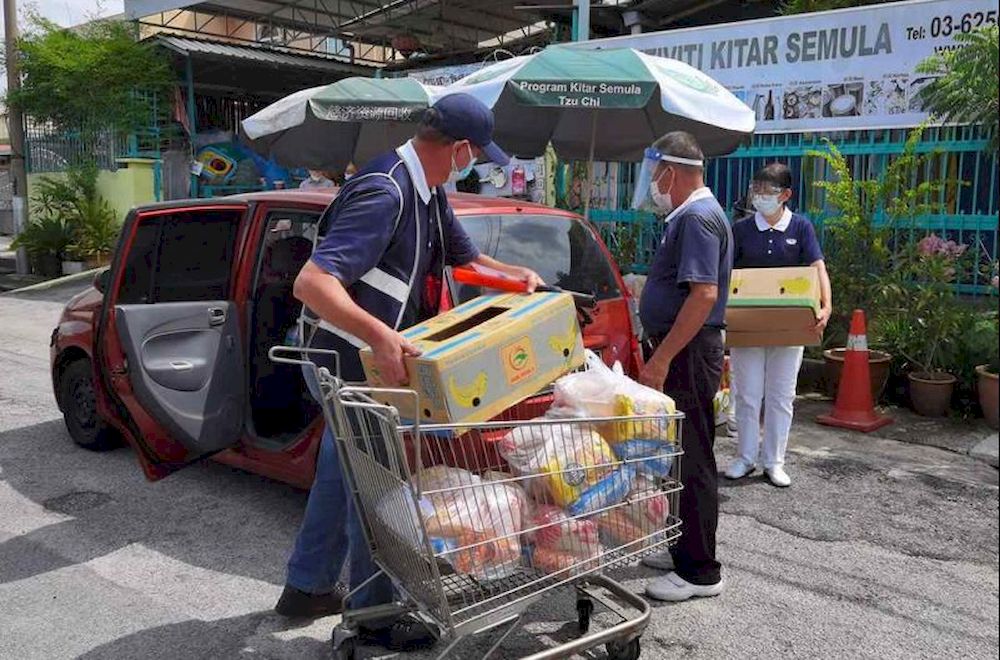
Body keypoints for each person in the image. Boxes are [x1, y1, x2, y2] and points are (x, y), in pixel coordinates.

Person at [274, 93, 542, 652]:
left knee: (338, 470)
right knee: (375, 488)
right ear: (461, 147)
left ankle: (306, 586)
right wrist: (382, 337)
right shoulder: (387, 191)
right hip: (347, 362)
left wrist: (514, 277)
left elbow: (463, 258)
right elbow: (312, 283)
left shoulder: (428, 189)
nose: (475, 165)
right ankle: (374, 616)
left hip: (356, 363)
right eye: (476, 155)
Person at [633, 131, 733, 603]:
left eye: (656, 173)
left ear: (671, 172)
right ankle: (680, 545)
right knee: (677, 454)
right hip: (687, 349)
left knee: (692, 457)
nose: (653, 182)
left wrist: (662, 358)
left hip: (689, 354)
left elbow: (704, 294)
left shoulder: (697, 217)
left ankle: (699, 570)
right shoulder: (690, 217)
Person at [725, 163, 832, 487]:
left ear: (786, 195)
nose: (760, 197)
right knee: (747, 393)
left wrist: (826, 306)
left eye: (768, 192)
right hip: (748, 326)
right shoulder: (741, 229)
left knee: (781, 395)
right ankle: (745, 457)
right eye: (756, 190)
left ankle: (774, 461)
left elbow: (817, 267)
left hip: (789, 326)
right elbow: (725, 272)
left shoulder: (800, 228)